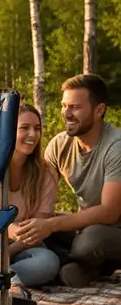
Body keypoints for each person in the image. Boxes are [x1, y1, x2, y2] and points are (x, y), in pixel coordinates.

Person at [15, 74, 121, 287]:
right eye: (64, 106)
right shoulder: (59, 145)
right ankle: (76, 268)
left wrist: (50, 225)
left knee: (88, 242)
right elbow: (39, 192)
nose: (66, 114)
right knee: (42, 228)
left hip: (113, 227)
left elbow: (110, 212)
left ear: (99, 110)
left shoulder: (115, 146)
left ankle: (88, 266)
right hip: (85, 224)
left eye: (74, 107)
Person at [0, 104, 60, 298]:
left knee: (49, 262)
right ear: (8, 130)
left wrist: (9, 252)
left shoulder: (47, 173)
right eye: (24, 128)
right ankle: (13, 288)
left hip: (24, 246)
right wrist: (8, 234)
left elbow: (38, 228)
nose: (33, 134)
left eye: (37, 128)